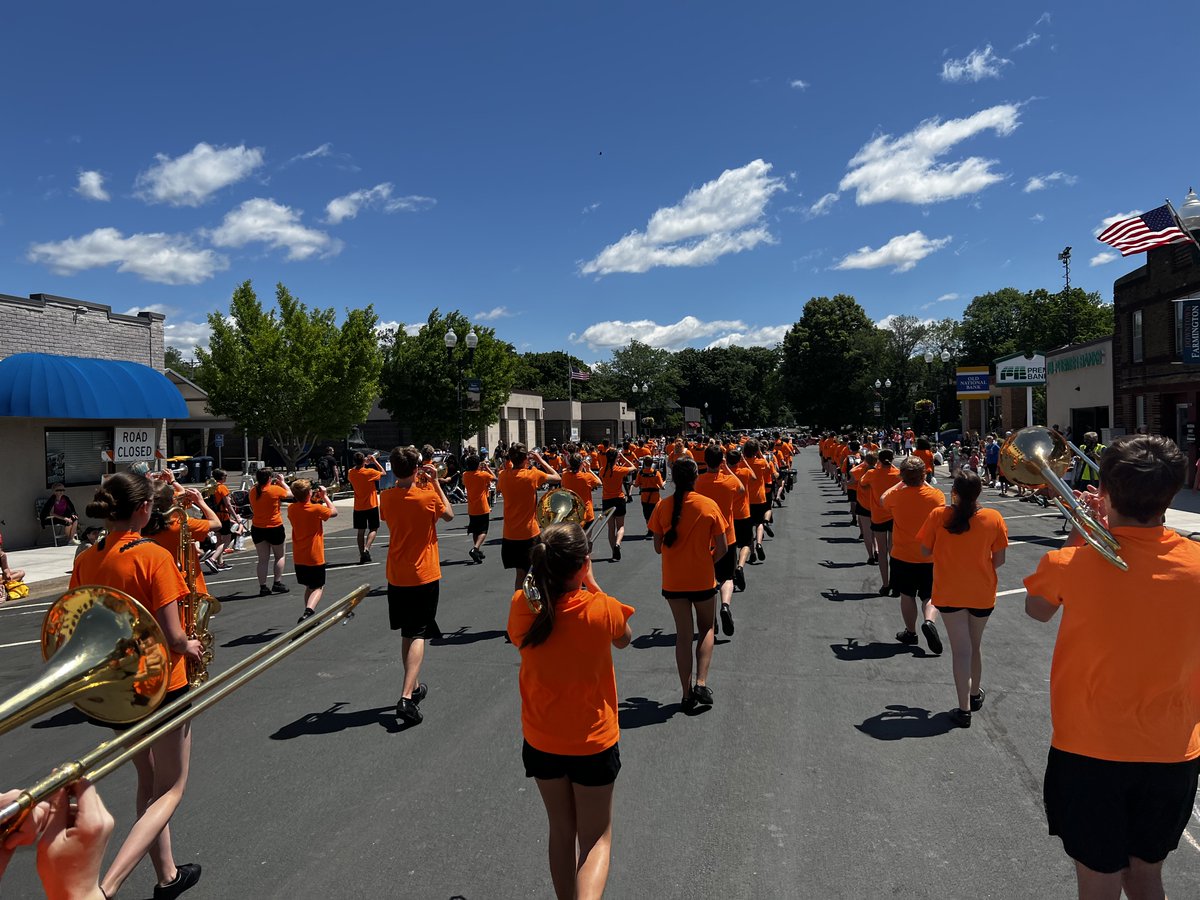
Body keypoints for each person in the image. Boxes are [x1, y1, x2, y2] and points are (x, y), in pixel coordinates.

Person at [1024, 434, 1200, 898]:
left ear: (1102, 493)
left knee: (1097, 882)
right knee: (1146, 876)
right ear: (1172, 493)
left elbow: (1036, 611)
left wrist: (1081, 528)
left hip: (1088, 750)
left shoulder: (1068, 561)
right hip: (1171, 749)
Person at [71, 471, 205, 899]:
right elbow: (174, 636)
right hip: (161, 681)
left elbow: (79, 621)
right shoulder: (152, 555)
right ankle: (106, 888)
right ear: (144, 509)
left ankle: (166, 876)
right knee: (171, 788)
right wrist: (194, 646)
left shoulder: (87, 557)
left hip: (118, 686)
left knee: (146, 781)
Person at [507, 523, 633, 900]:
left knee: (561, 831)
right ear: (582, 565)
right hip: (592, 741)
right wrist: (592, 584)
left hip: (543, 738)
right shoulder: (602, 608)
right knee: (595, 839)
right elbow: (625, 638)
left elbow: (526, 630)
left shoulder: (521, 607)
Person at [917, 469, 1008, 728]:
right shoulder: (993, 517)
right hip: (981, 591)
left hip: (949, 590)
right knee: (974, 645)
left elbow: (925, 551)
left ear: (953, 492)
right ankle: (974, 693)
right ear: (979, 492)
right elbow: (999, 560)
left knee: (961, 649)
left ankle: (964, 708)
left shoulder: (939, 516)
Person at [380, 446, 454, 724]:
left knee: (407, 633)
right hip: (423, 573)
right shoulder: (427, 495)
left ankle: (413, 685)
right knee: (419, 633)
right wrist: (434, 481)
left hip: (397, 573)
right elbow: (448, 513)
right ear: (416, 469)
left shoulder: (385, 497)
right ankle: (405, 697)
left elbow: (390, 513)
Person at [648, 458, 729, 713]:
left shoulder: (662, 506)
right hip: (702, 578)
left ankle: (685, 693)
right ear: (696, 477)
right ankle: (701, 682)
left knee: (683, 635)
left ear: (673, 478)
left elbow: (657, 547)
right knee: (707, 627)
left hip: (674, 580)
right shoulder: (708, 505)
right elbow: (723, 547)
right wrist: (708, 560)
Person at [880, 457, 945, 655]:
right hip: (930, 554)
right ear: (924, 475)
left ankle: (911, 631)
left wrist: (902, 482)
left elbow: (883, 499)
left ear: (903, 476)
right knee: (930, 595)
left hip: (903, 553)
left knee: (907, 595)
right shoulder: (936, 496)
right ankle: (929, 621)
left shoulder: (896, 496)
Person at [695, 445, 746, 637]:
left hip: (705, 537)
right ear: (721, 461)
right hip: (726, 535)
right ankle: (725, 606)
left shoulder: (698, 482)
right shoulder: (729, 481)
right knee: (727, 577)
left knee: (710, 580)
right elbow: (741, 490)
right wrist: (726, 468)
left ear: (705, 460)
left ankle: (711, 619)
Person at [497, 444, 562, 592]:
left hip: (510, 534)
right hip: (529, 533)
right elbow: (557, 477)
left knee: (520, 573)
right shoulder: (532, 475)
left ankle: (519, 604)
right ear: (526, 458)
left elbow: (503, 476)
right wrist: (540, 461)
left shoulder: (503, 475)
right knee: (536, 572)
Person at [143, 482, 221, 600]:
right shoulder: (180, 524)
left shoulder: (139, 526)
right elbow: (217, 524)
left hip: (152, 585)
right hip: (184, 586)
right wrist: (200, 502)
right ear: (172, 502)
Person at [287, 479, 337, 623]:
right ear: (309, 493)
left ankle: (308, 616)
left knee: (309, 586)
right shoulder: (316, 509)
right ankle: (309, 611)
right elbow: (334, 512)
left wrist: (313, 498)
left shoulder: (291, 508)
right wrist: (325, 496)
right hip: (314, 555)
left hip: (299, 556)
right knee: (318, 587)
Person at [860, 449, 901, 594]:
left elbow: (862, 482)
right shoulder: (898, 474)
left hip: (878, 516)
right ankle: (896, 584)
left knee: (882, 551)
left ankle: (885, 583)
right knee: (894, 550)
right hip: (894, 515)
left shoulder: (872, 474)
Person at [248, 469, 293, 596]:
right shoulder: (274, 489)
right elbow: (290, 494)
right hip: (274, 526)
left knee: (262, 559)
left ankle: (263, 587)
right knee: (280, 556)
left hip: (257, 527)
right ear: (269, 478)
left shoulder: (253, 491)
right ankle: (277, 582)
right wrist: (282, 482)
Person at [598, 448, 637, 560]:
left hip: (607, 500)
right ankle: (618, 544)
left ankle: (613, 551)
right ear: (616, 458)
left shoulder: (602, 471)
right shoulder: (619, 470)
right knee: (621, 526)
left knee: (611, 528)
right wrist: (624, 458)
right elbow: (634, 467)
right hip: (619, 499)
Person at [348, 452, 384, 565]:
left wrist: (363, 463)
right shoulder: (369, 472)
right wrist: (374, 461)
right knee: (373, 528)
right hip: (371, 504)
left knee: (360, 531)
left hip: (359, 506)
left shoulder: (351, 473)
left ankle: (361, 553)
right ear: (363, 461)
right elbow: (383, 472)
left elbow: (354, 469)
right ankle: (367, 548)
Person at [462, 454, 496, 564]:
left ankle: (477, 550)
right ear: (477, 464)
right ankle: (475, 548)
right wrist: (487, 468)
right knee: (483, 530)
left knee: (475, 529)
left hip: (472, 507)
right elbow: (495, 478)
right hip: (482, 506)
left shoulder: (465, 475)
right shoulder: (483, 475)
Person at [203, 469, 239, 573]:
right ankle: (212, 559)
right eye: (225, 475)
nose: (226, 477)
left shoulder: (210, 487)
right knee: (227, 540)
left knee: (219, 539)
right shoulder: (222, 487)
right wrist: (236, 517)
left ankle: (220, 563)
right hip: (223, 517)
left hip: (214, 516)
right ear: (222, 477)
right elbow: (228, 504)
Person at [560, 454, 602, 538]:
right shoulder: (587, 476)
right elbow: (599, 482)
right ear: (581, 463)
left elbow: (562, 486)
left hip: (571, 513)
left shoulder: (565, 476)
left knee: (575, 540)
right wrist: (589, 470)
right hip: (586, 513)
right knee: (587, 540)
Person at [634, 456, 664, 537]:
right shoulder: (656, 473)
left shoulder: (640, 473)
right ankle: (657, 529)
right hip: (655, 497)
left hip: (645, 497)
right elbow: (662, 486)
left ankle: (650, 530)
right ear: (652, 463)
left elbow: (636, 485)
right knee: (656, 514)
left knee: (647, 515)